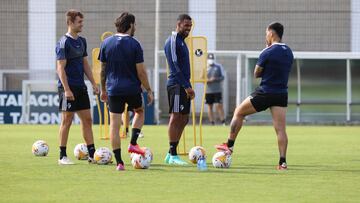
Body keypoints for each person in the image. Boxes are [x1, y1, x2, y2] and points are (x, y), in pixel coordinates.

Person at [215, 22, 294, 170]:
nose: (266, 36)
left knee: (238, 112)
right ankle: (282, 162)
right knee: (280, 129)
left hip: (265, 92)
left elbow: (256, 73)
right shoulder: (289, 51)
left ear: (271, 33)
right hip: (281, 94)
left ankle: (229, 146)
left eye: (266, 33)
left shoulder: (267, 51)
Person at [99, 12, 153, 171]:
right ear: (130, 25)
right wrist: (149, 89)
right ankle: (133, 143)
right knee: (139, 111)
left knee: (114, 126)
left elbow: (102, 70)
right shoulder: (135, 44)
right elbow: (141, 72)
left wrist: (103, 90)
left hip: (113, 89)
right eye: (134, 24)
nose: (135, 27)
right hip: (132, 88)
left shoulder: (106, 43)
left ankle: (119, 163)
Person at [56, 9, 99, 165]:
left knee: (87, 120)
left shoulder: (82, 41)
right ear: (70, 22)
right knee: (67, 120)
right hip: (67, 88)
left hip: (81, 87)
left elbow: (85, 63)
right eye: (79, 22)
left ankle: (92, 154)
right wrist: (66, 89)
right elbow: (60, 68)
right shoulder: (63, 43)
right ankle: (62, 156)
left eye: (82, 21)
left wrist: (94, 83)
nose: (82, 24)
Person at [164, 14, 195, 165]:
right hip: (176, 84)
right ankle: (173, 154)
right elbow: (174, 66)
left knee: (184, 118)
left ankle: (171, 151)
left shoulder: (182, 42)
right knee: (176, 116)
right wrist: (186, 86)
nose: (188, 29)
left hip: (183, 85)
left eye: (190, 26)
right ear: (178, 24)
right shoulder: (173, 41)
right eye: (186, 26)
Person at [206, 53, 226, 126]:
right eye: (209, 59)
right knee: (209, 106)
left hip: (217, 90)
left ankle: (223, 121)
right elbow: (201, 78)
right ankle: (212, 122)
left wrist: (215, 79)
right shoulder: (205, 67)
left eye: (212, 59)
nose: (210, 60)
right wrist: (207, 80)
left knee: (219, 105)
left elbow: (222, 77)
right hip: (208, 91)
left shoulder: (218, 67)